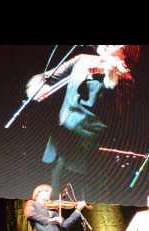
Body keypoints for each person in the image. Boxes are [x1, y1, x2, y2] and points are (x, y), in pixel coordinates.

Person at [26, 45, 140, 197]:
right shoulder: (82, 60)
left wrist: (111, 78)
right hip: (60, 139)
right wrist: (39, 87)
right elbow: (44, 77)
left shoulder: (125, 78)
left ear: (125, 53)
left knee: (79, 197)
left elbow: (118, 115)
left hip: (87, 149)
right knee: (50, 194)